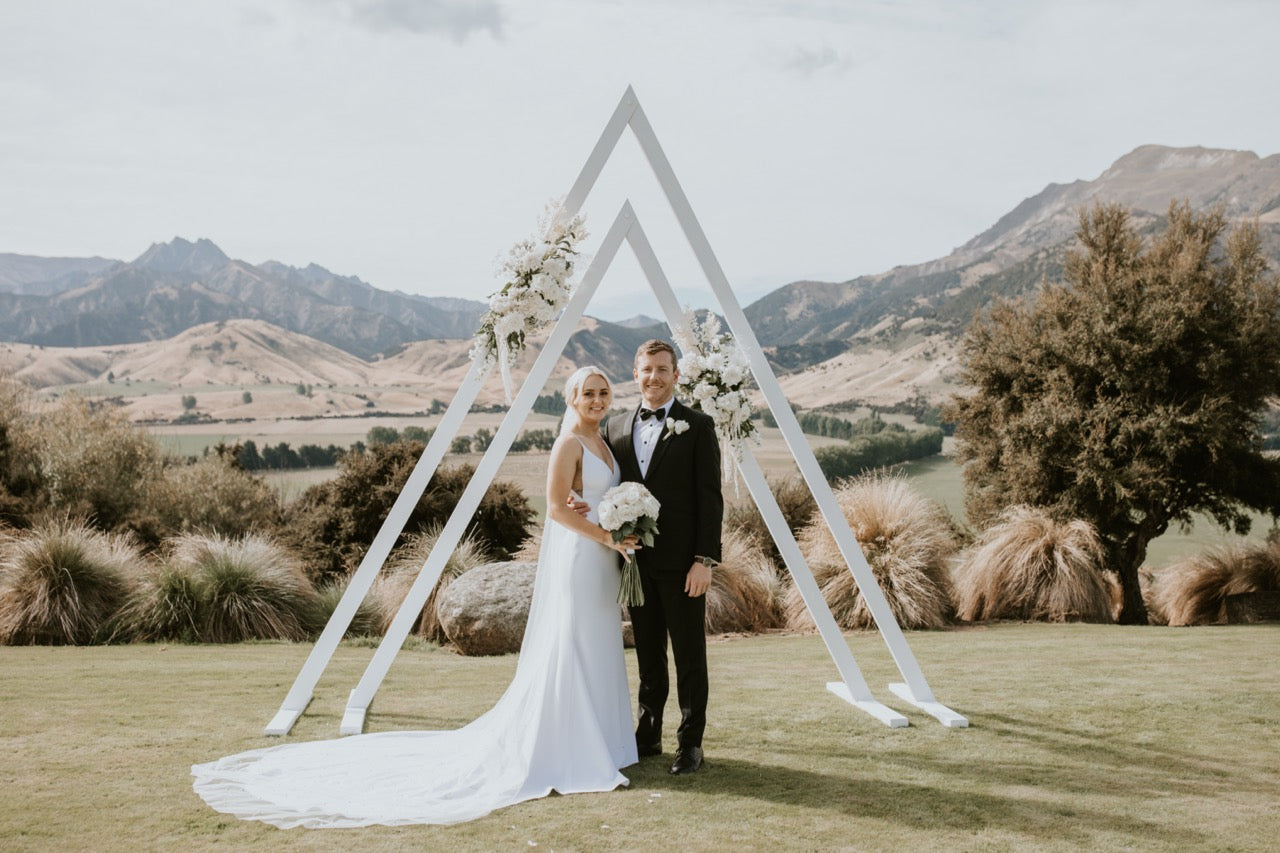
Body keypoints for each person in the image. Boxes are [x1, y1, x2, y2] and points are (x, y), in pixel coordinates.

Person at [191, 366, 639, 828]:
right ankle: (567, 747)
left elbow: (591, 498)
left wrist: (615, 521)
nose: (597, 400)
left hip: (602, 563)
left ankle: (604, 740)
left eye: (603, 392)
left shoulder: (603, 442)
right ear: (571, 398)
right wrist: (606, 537)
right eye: (588, 393)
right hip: (582, 558)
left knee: (596, 642)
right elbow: (554, 509)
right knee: (571, 645)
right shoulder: (568, 444)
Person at [603, 339, 723, 776]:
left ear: (676, 375)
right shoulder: (614, 427)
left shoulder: (698, 425)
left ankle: (691, 743)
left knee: (689, 654)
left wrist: (703, 560)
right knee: (648, 654)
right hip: (635, 564)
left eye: (662, 369)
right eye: (646, 369)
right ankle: (648, 732)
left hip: (683, 565)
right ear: (635, 375)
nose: (653, 377)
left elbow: (710, 499)